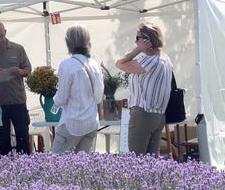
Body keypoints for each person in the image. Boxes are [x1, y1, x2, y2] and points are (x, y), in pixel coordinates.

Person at [116, 21, 173, 155]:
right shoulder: (165, 58)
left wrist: (138, 50)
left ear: (147, 40)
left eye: (138, 39)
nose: (135, 42)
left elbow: (119, 63)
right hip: (158, 116)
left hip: (143, 114)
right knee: (151, 163)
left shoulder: (150, 60)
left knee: (136, 161)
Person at [0, 21, 33, 155]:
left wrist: (20, 72)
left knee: (22, 136)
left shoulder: (18, 49)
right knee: (3, 140)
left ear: (5, 32)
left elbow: (28, 70)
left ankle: (26, 167)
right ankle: (4, 169)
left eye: (1, 36)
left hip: (18, 100)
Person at [52, 25, 103, 154]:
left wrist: (54, 102)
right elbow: (98, 97)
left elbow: (62, 97)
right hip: (91, 123)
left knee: (56, 165)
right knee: (82, 169)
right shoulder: (94, 64)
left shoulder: (67, 65)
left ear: (68, 42)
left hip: (72, 123)